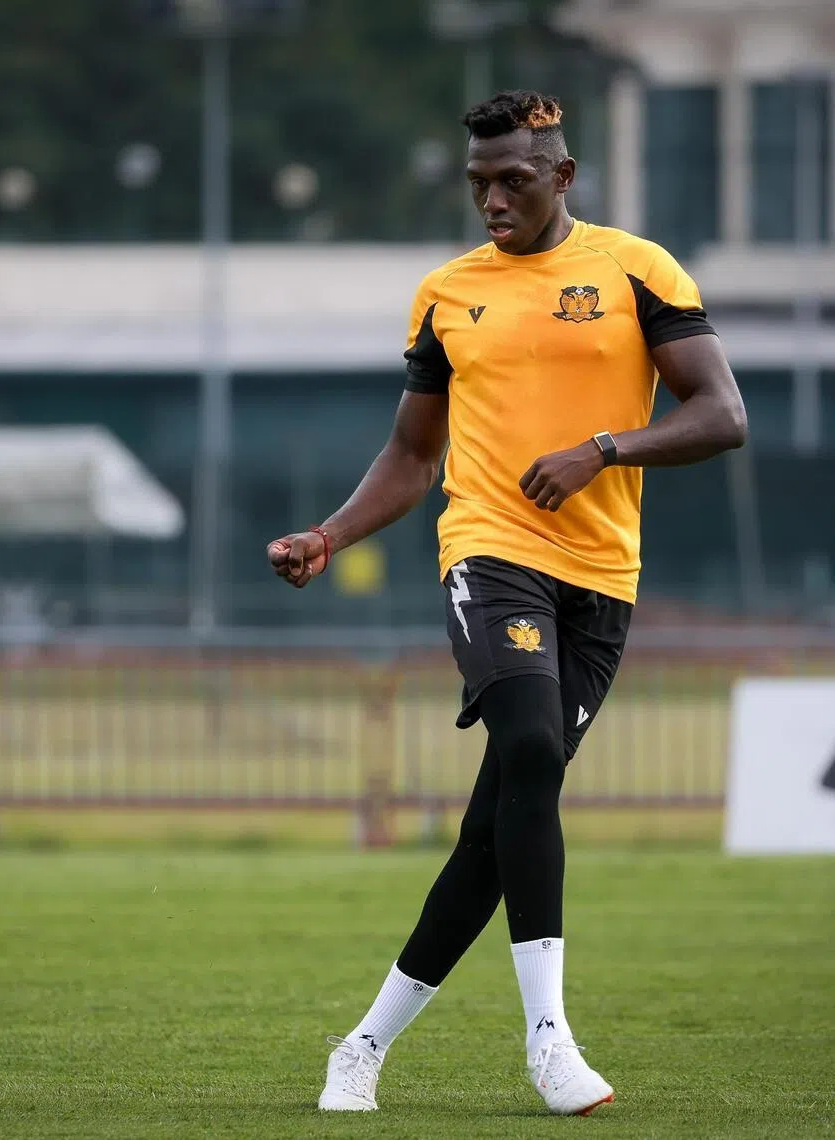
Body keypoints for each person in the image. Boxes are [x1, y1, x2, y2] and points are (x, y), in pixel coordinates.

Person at [265, 90, 748, 1117]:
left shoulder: (638, 271)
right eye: (478, 182)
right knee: (529, 751)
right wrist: (327, 536)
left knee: (496, 824)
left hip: (602, 581)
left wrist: (605, 449)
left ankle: (361, 1046)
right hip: (489, 549)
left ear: (563, 177)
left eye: (513, 181)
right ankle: (549, 1040)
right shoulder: (446, 294)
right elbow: (410, 452)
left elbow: (722, 415)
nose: (492, 200)